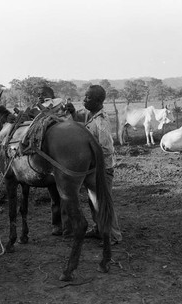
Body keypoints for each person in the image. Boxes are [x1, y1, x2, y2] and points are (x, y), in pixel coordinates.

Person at [64, 85, 122, 244]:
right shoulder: (91, 115)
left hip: (103, 168)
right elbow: (80, 119)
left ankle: (114, 235)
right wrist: (72, 112)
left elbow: (106, 149)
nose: (84, 99)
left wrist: (88, 157)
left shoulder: (101, 121)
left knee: (104, 202)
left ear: (98, 101)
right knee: (93, 200)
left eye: (88, 97)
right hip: (94, 168)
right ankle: (99, 229)